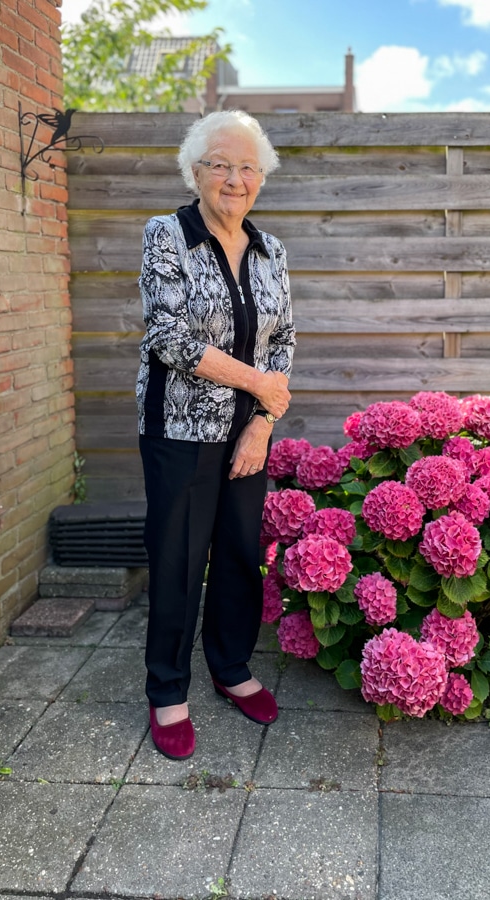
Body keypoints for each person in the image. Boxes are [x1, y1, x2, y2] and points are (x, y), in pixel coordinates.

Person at [136, 110, 295, 760]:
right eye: (220, 164)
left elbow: (283, 340)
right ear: (195, 171)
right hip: (178, 432)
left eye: (247, 166)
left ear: (261, 177)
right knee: (177, 560)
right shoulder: (167, 236)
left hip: (246, 437)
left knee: (236, 552)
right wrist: (259, 385)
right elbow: (169, 338)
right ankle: (167, 689)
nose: (235, 178)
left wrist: (261, 422)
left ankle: (230, 667)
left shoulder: (272, 249)